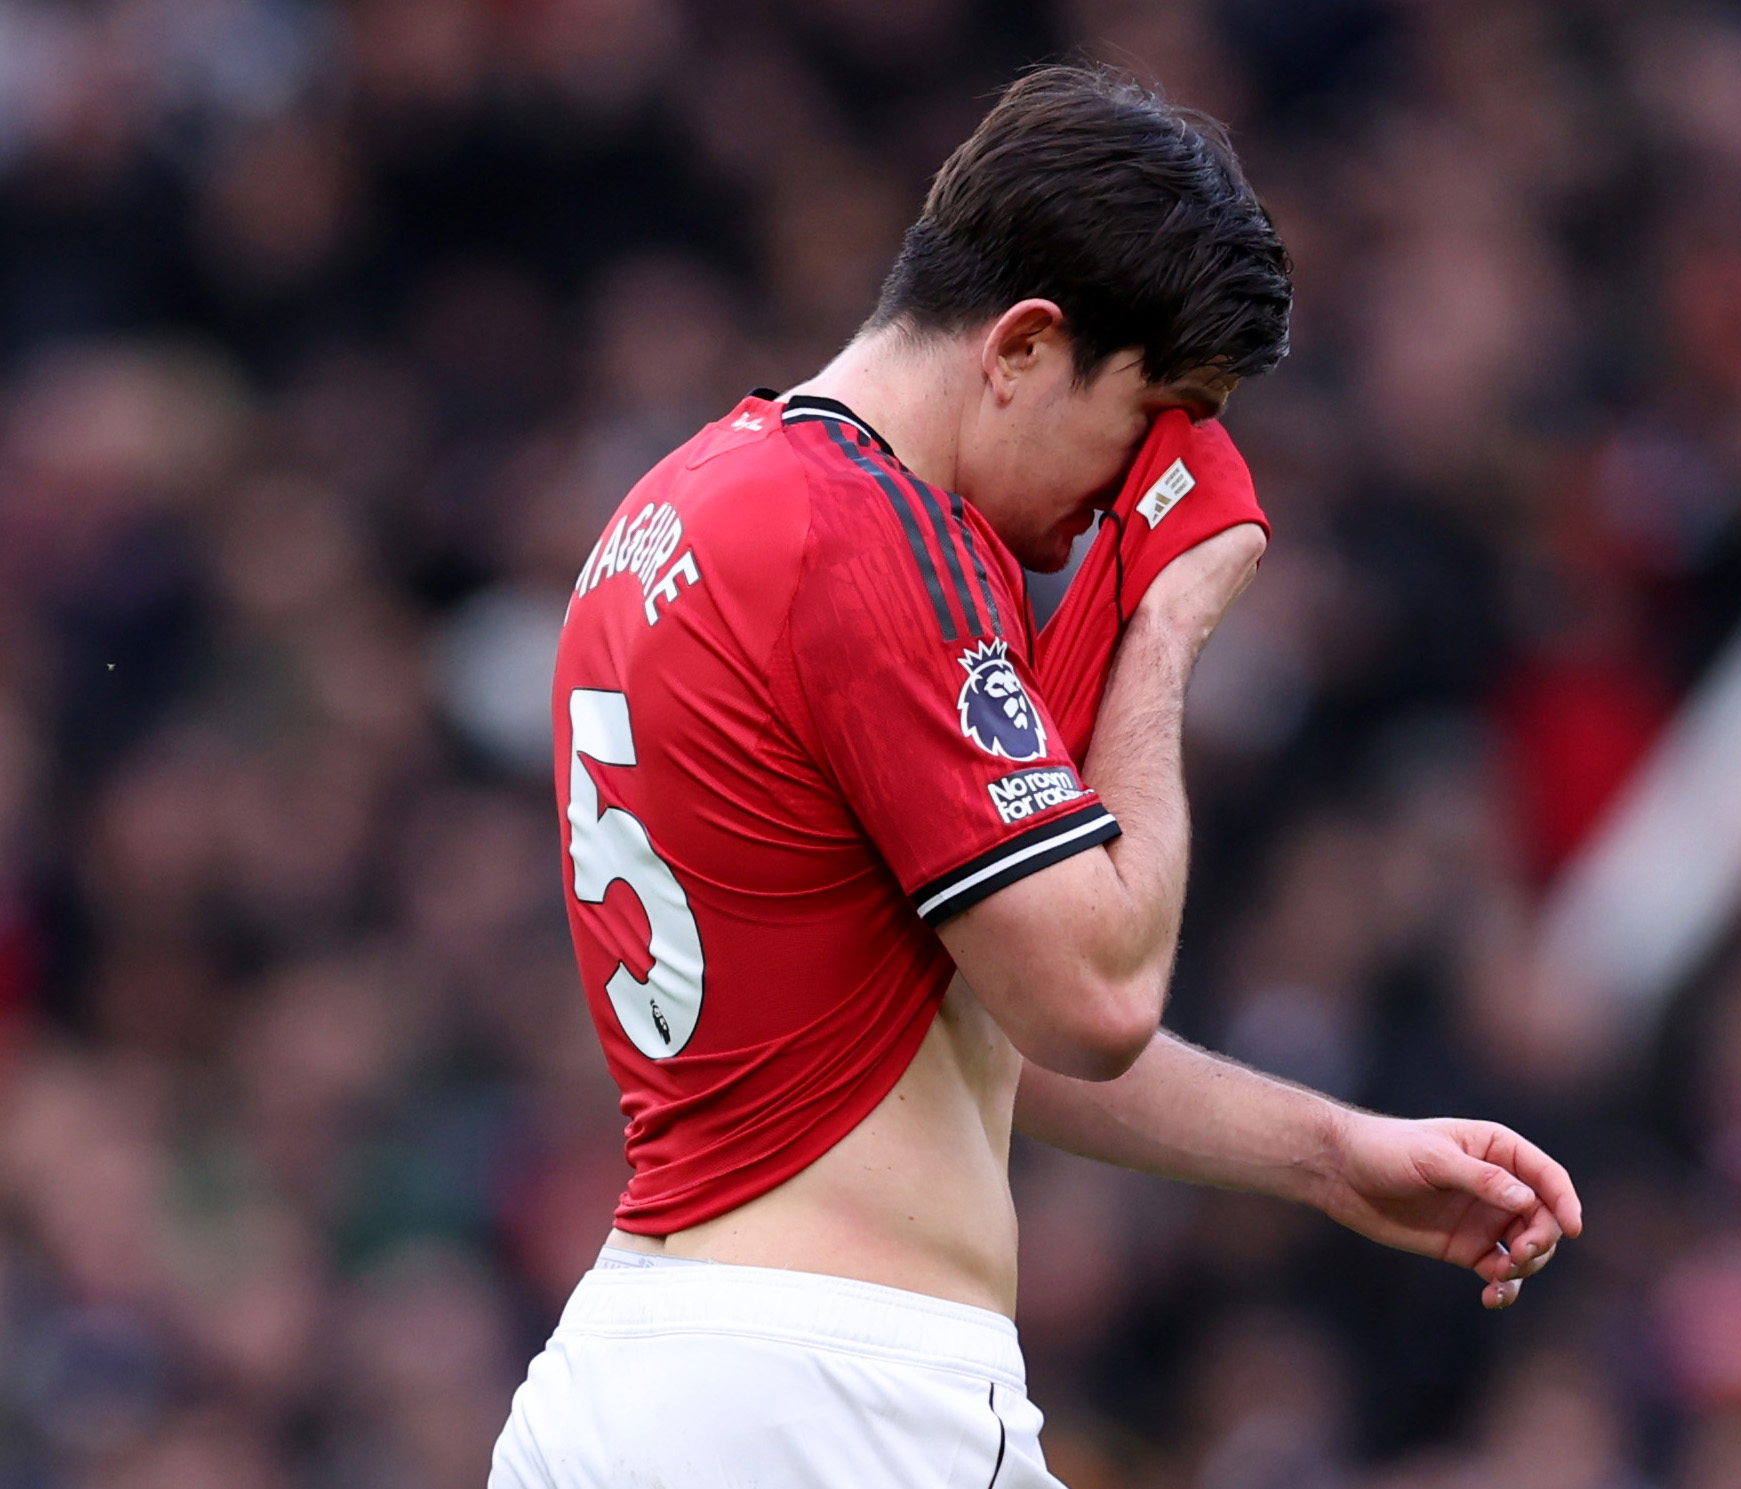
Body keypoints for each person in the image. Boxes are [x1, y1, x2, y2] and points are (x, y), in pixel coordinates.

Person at [491, 65, 1582, 1489]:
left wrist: (1323, 1151)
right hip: (833, 1398)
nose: (1134, 487)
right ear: (1019, 347)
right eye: (1151, 417)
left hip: (636, 1376)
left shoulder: (675, 506)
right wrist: (1164, 619)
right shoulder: (870, 532)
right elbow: (1094, 998)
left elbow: (959, 1033)